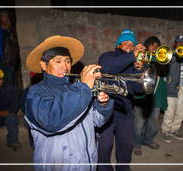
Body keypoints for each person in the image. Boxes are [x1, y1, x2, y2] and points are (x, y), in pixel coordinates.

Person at [24, 35, 114, 171]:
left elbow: (97, 121)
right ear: (44, 65)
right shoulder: (35, 93)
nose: (64, 67)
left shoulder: (77, 88)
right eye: (58, 61)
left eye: (67, 61)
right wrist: (83, 87)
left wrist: (103, 105)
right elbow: (51, 121)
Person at [97, 29, 145, 171]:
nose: (129, 46)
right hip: (106, 109)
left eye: (132, 44)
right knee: (104, 147)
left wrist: (138, 69)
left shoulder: (135, 62)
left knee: (126, 145)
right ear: (118, 45)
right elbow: (107, 67)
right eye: (126, 43)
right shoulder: (108, 56)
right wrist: (132, 56)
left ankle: (123, 168)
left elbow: (139, 89)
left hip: (126, 110)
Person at [133, 36, 166, 156]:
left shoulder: (161, 58)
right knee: (138, 123)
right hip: (141, 96)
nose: (155, 47)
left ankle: (148, 140)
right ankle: (136, 144)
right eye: (152, 44)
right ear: (147, 46)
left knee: (153, 122)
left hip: (155, 95)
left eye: (157, 45)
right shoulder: (141, 56)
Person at [0, 69, 20, 150]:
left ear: (3, 80)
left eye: (0, 79)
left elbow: (16, 103)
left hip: (7, 115)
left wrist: (9, 111)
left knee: (13, 118)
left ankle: (12, 141)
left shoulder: (9, 88)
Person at [0, 10, 20, 85]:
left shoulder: (11, 30)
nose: (5, 17)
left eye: (6, 16)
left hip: (9, 59)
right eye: (3, 16)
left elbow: (16, 44)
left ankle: (9, 96)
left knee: (9, 81)